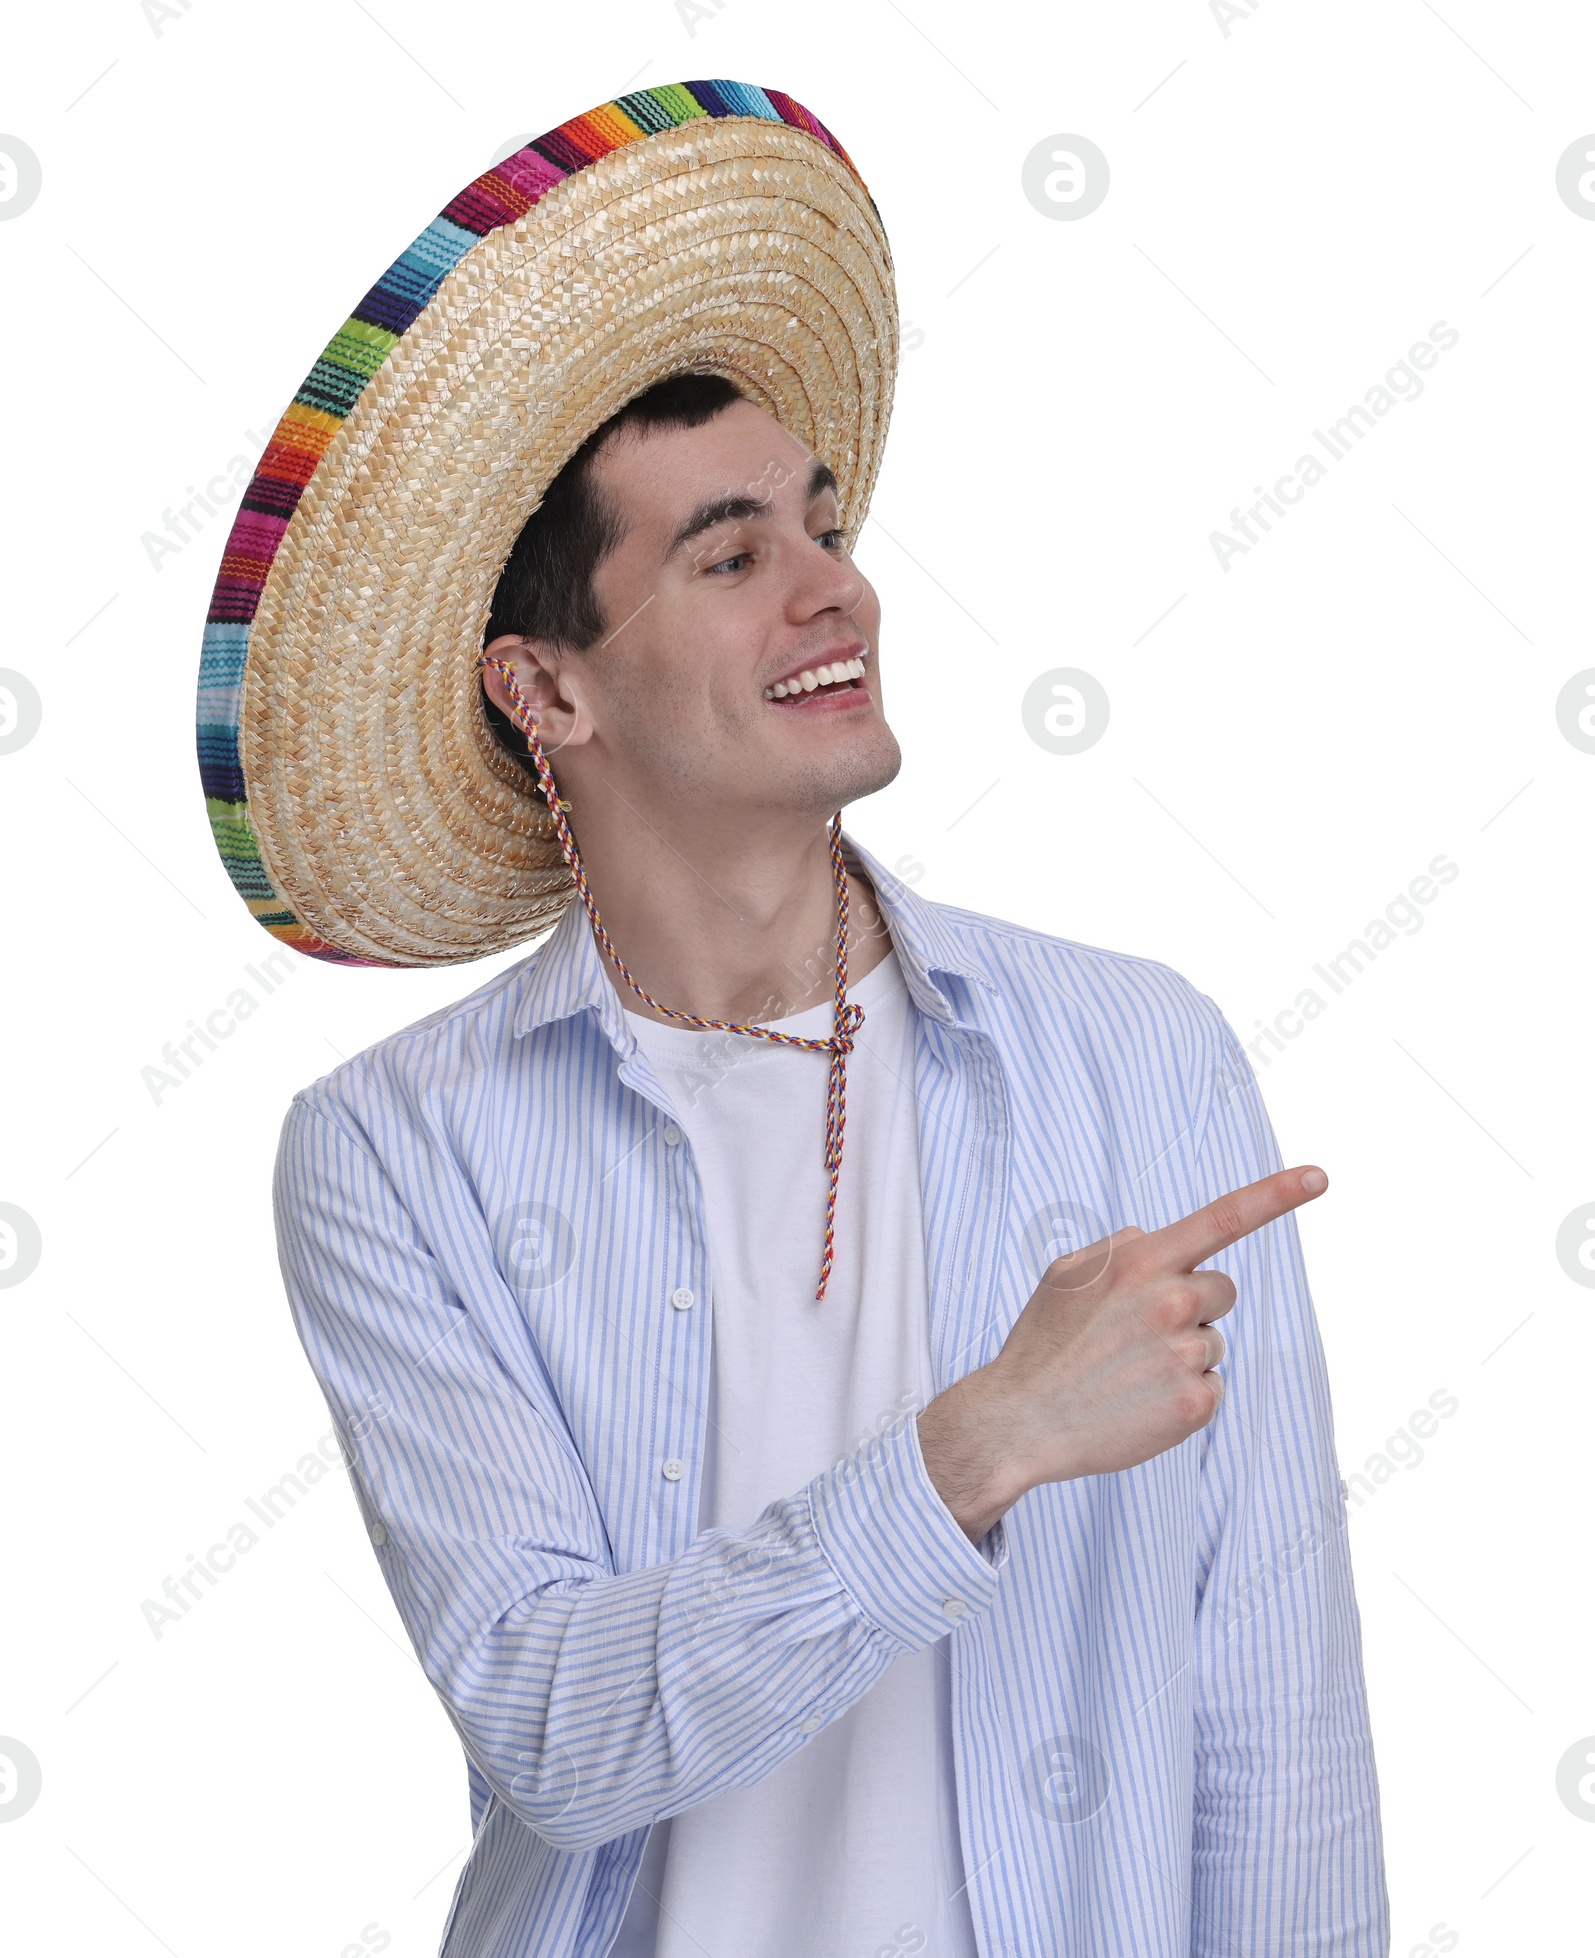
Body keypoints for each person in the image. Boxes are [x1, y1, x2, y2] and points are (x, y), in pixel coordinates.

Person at [198, 81, 1388, 1958]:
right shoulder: (397, 1152)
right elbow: (556, 1729)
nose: (838, 586)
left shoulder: (1143, 1060)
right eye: (730, 553)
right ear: (548, 693)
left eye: (821, 524)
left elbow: (1277, 1733)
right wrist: (971, 1447)